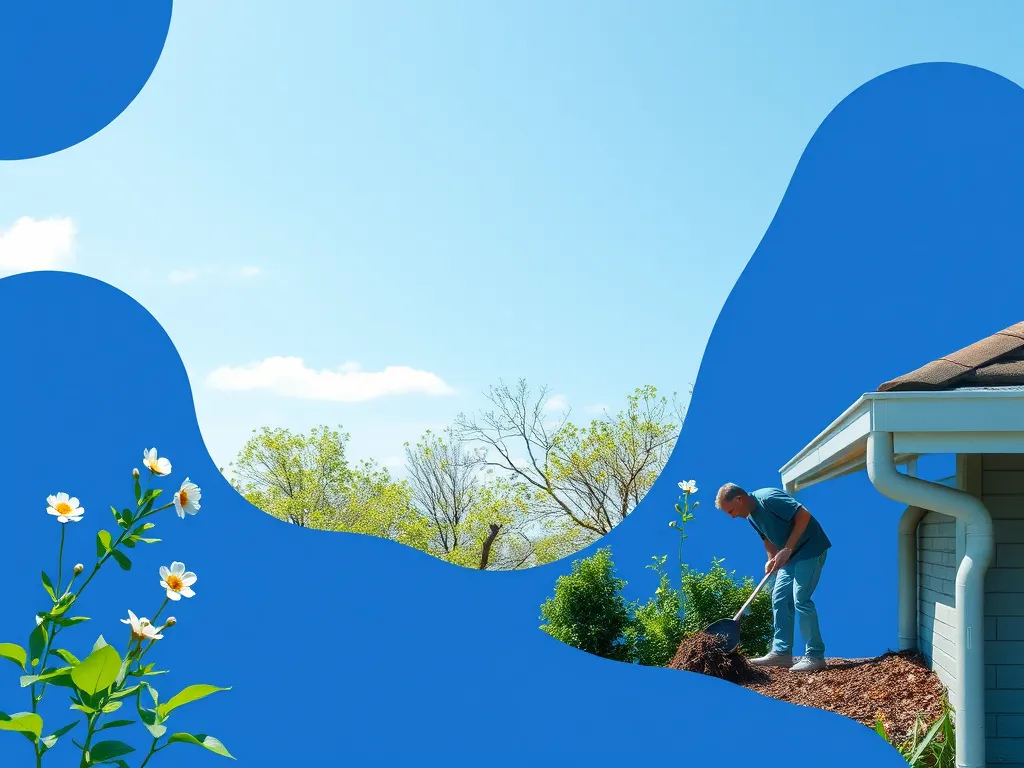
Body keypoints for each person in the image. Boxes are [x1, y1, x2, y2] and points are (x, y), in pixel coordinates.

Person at [715, 483, 832, 672]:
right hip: (789, 558)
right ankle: (782, 653)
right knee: (779, 598)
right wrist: (771, 558)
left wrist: (787, 549)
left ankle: (815, 656)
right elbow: (767, 539)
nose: (732, 516)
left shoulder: (768, 498)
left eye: (731, 511)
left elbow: (803, 515)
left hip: (810, 549)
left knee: (800, 599)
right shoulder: (751, 517)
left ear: (739, 499)